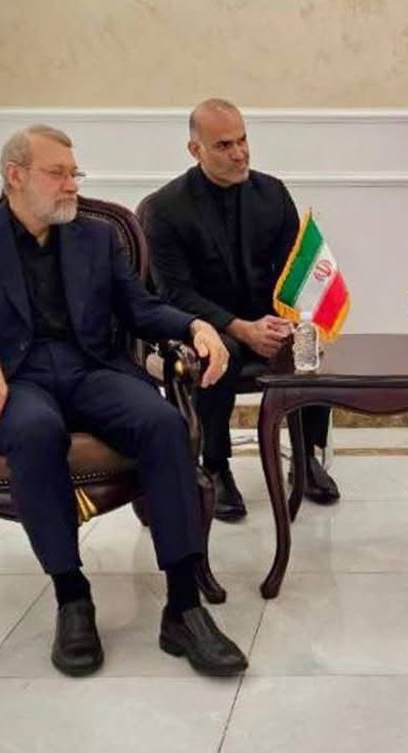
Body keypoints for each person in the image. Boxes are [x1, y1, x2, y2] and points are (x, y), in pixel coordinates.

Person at [0, 124, 247, 677]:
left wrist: (195, 326)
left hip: (89, 369)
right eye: (58, 174)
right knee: (36, 431)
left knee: (163, 423)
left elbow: (139, 308)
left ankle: (184, 607)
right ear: (15, 176)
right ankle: (72, 597)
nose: (72, 185)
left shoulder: (96, 236)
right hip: (12, 379)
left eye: (75, 173)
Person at [141, 98, 339, 521]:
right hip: (199, 325)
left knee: (308, 341)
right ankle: (215, 466)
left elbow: (294, 275)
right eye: (224, 145)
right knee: (221, 352)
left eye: (243, 140)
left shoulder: (273, 193)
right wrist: (239, 327)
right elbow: (173, 294)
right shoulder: (163, 209)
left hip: (266, 318)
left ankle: (305, 456)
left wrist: (286, 323)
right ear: (195, 150)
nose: (239, 153)